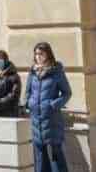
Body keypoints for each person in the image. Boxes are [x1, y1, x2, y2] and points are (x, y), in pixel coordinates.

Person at [26, 42, 72, 172]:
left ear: (48, 54)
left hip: (51, 119)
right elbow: (28, 91)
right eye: (36, 54)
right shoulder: (33, 72)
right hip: (36, 119)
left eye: (41, 53)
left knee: (55, 154)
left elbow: (67, 93)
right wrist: (29, 103)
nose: (38, 56)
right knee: (39, 155)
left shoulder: (56, 72)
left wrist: (53, 105)